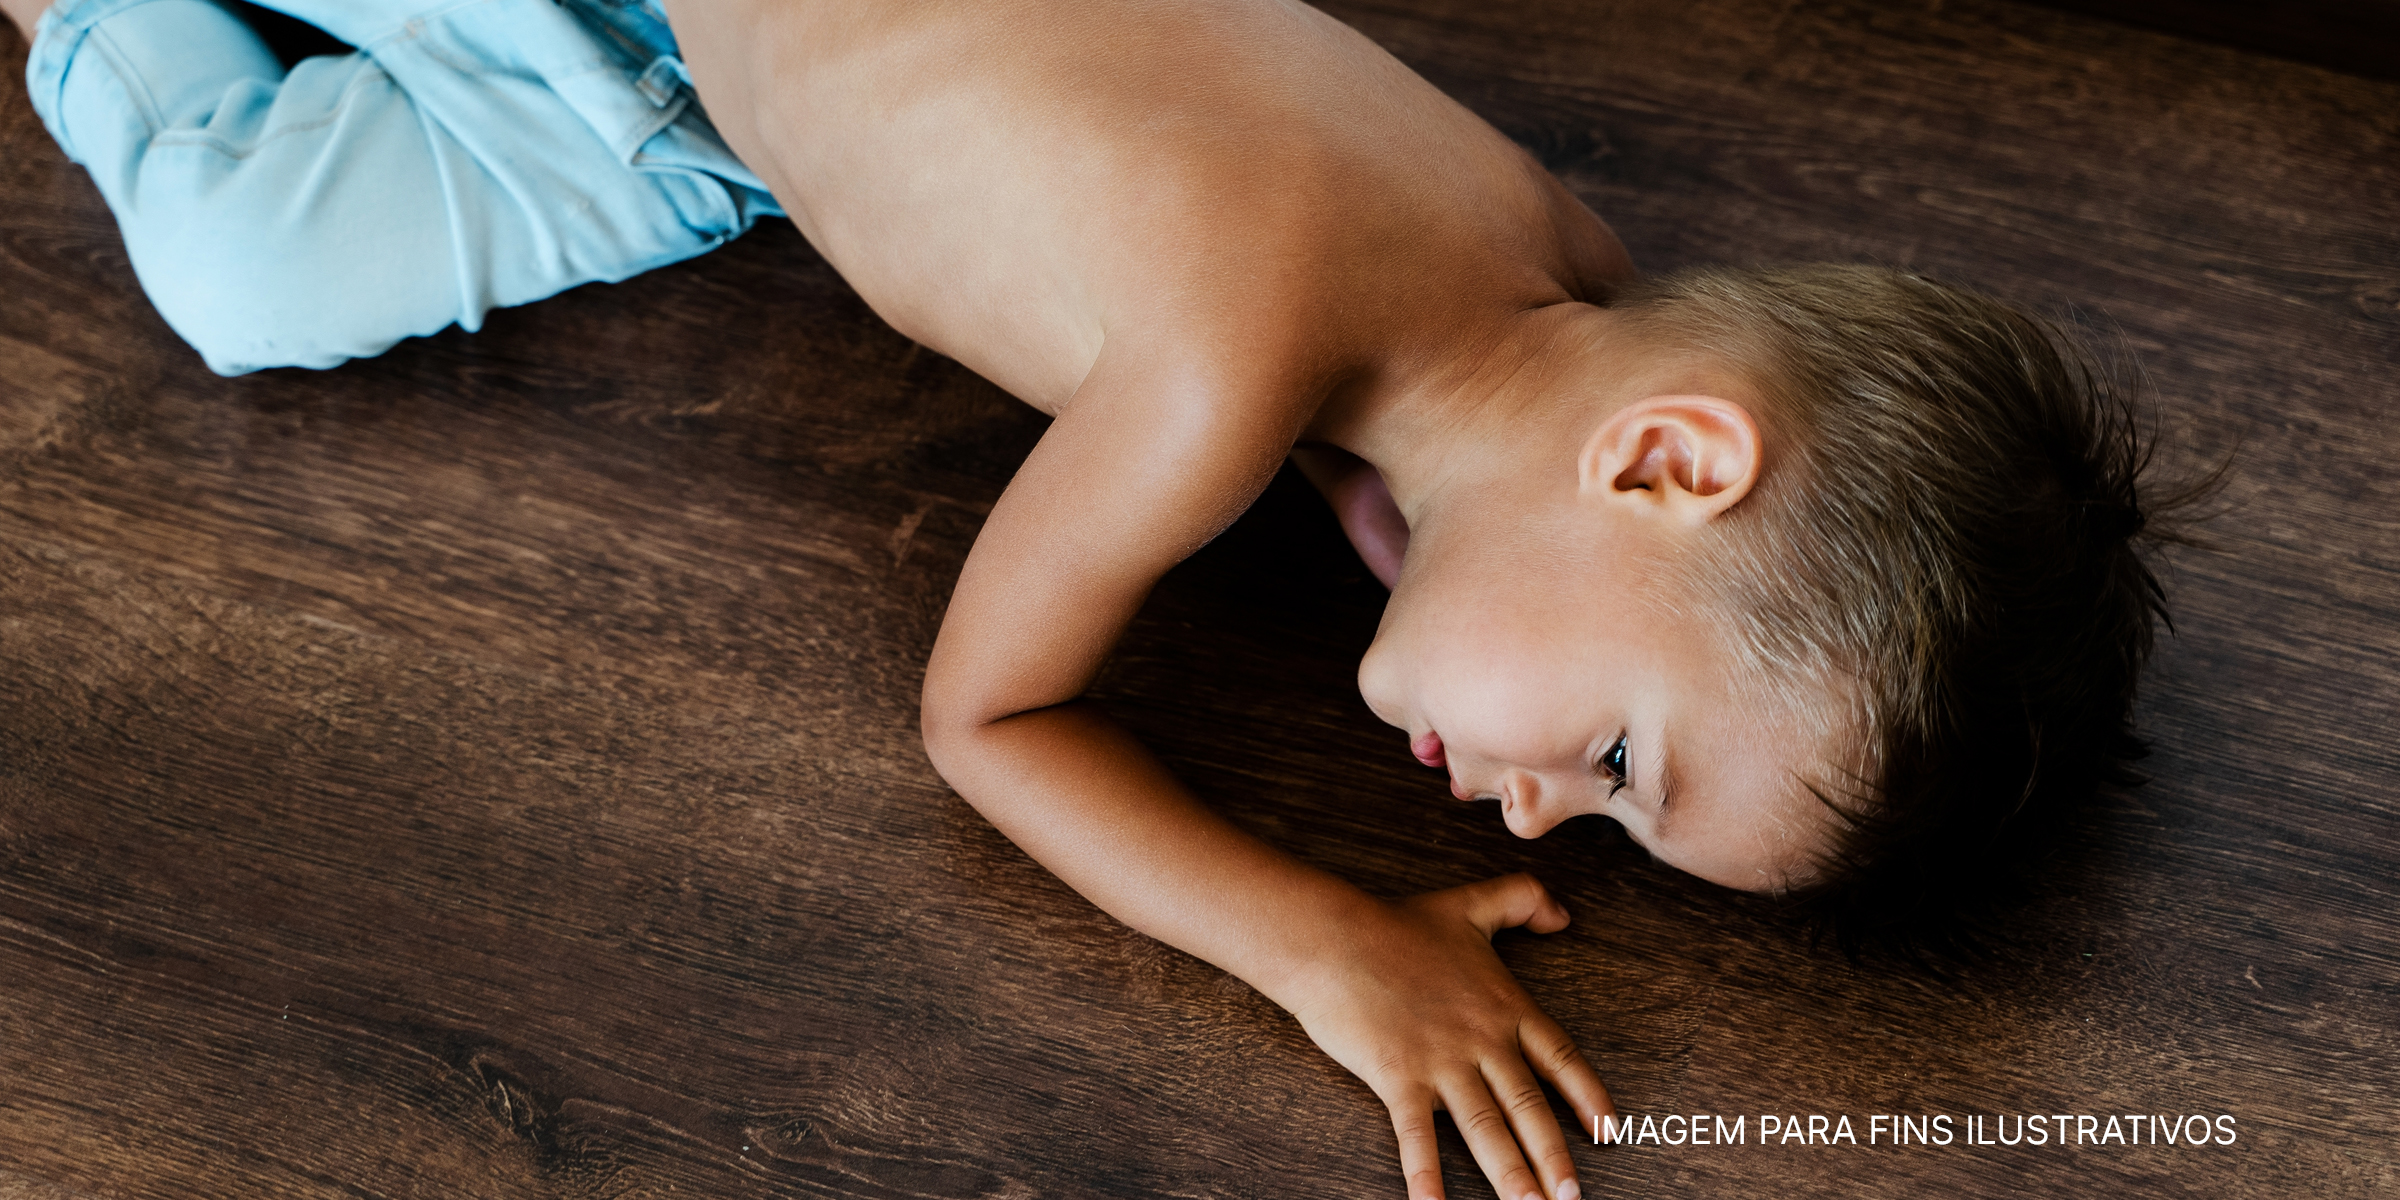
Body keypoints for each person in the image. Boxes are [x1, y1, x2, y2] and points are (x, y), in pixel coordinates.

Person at [4, 2, 2178, 1198]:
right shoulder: (1224, 367)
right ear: (1668, 458)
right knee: (244, 268)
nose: (1526, 817)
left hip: (700, 115)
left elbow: (1396, 440)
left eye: (1594, 826)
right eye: (1616, 762)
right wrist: (1324, 943)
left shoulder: (1550, 264)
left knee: (303, 249)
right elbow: (992, 726)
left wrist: (1412, 543)